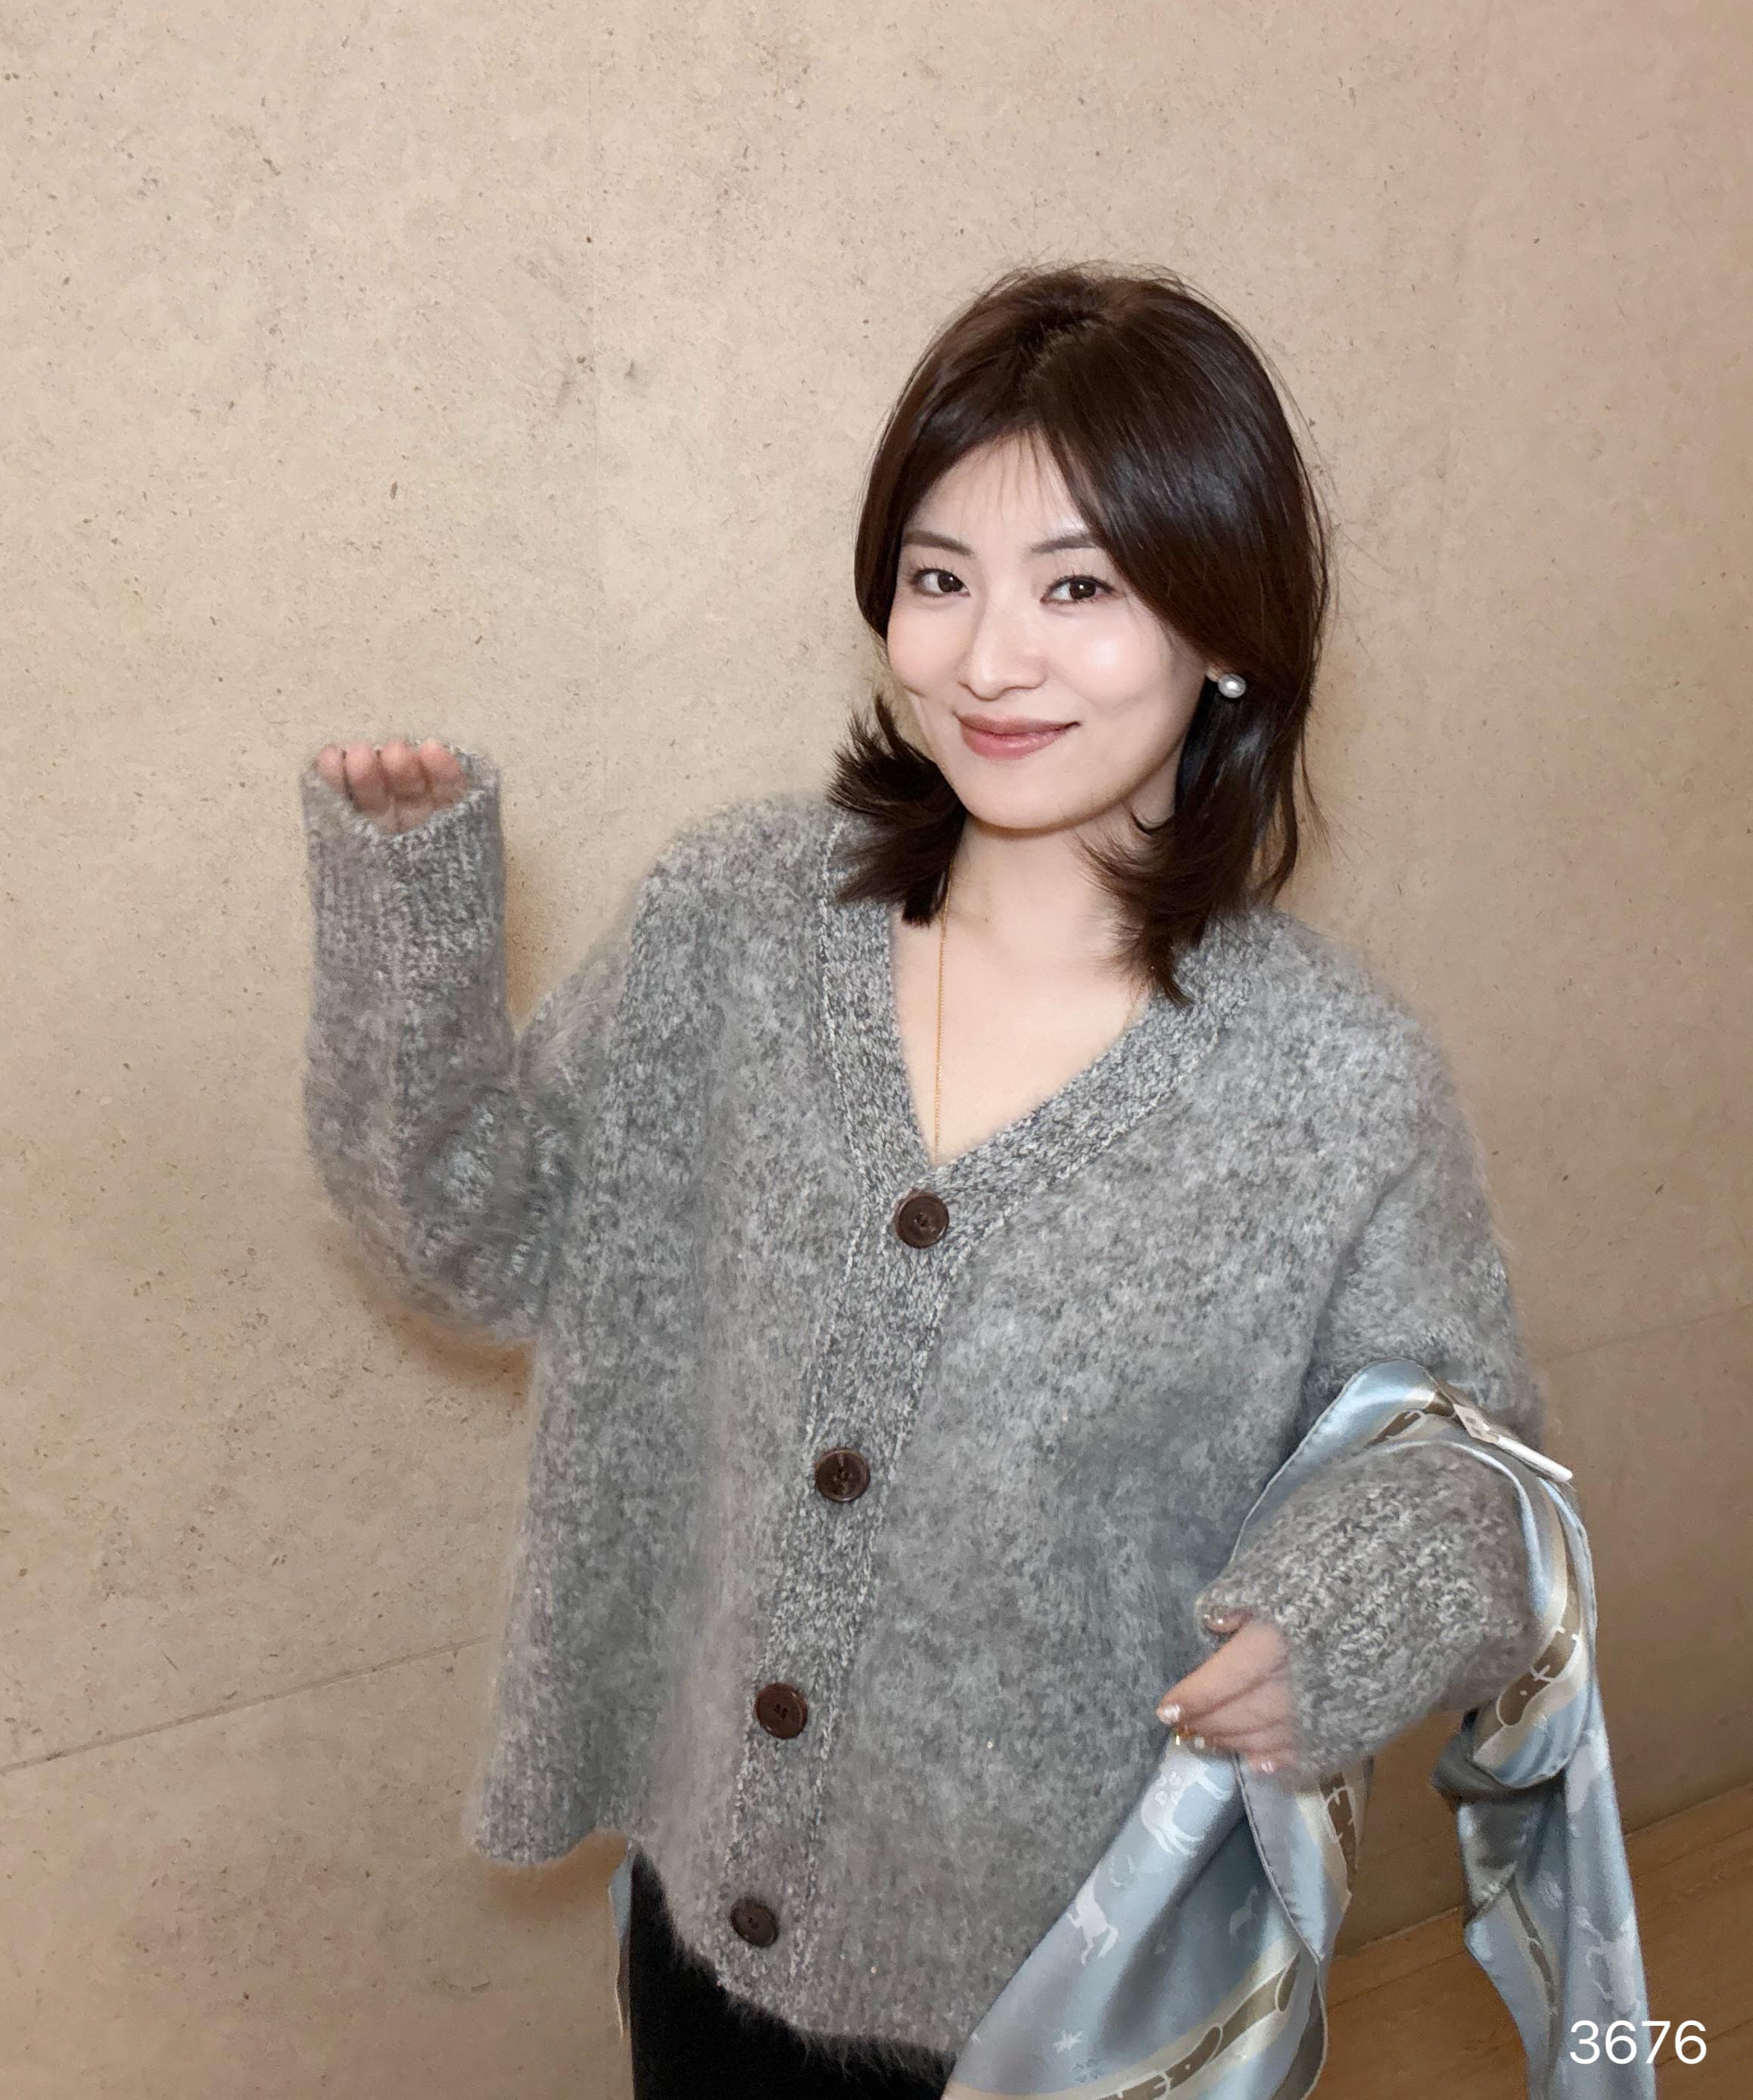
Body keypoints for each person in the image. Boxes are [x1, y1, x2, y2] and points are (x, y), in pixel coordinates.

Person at [297, 263, 1552, 2095]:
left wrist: (1342, 1609)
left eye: (1079, 587)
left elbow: (1474, 1470)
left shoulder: (1336, 1084)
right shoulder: (737, 923)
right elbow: (474, 1242)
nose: (987, 657)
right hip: (710, 1946)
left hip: (1080, 2003)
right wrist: (411, 933)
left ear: (1227, 629)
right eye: (940, 577)